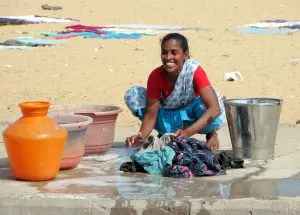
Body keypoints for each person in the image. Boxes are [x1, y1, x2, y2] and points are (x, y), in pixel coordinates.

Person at [124, 33, 226, 149]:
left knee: (206, 108)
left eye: (174, 52)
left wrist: (187, 132)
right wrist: (140, 138)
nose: (168, 57)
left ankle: (211, 133)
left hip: (194, 114)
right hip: (171, 115)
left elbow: (215, 109)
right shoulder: (155, 76)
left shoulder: (194, 71)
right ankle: (167, 133)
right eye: (164, 52)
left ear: (185, 55)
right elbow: (151, 115)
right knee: (133, 95)